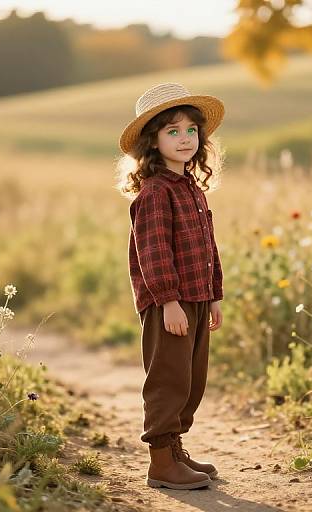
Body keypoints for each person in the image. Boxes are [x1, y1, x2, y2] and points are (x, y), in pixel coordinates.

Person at [115, 82, 225, 490]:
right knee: (168, 378)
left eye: (191, 130)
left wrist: (213, 294)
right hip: (170, 302)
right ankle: (160, 462)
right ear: (153, 141)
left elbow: (207, 245)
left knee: (192, 377)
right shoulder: (155, 192)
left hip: (196, 296)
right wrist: (168, 301)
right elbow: (154, 251)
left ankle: (176, 448)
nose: (184, 139)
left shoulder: (191, 188)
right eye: (172, 131)